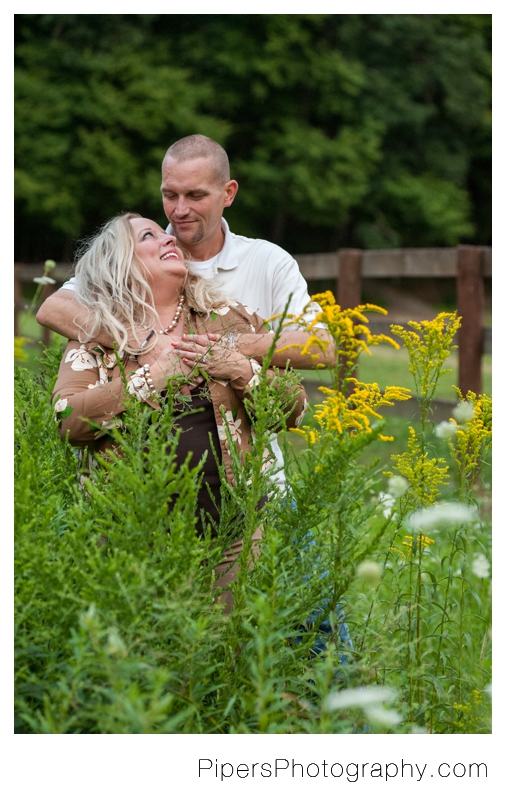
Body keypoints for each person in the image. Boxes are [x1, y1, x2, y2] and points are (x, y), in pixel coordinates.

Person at [52, 213, 309, 614]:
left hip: (232, 534)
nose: (169, 238)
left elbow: (295, 408)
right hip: (131, 534)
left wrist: (239, 369)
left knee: (225, 656)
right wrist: (153, 377)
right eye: (149, 236)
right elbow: (69, 422)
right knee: (142, 663)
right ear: (120, 262)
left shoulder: (229, 317)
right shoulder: (96, 333)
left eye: (164, 232)